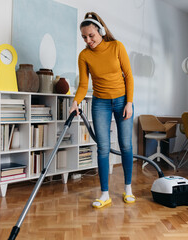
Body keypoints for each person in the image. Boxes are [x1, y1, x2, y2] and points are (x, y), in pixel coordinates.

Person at [69, 12, 135, 208]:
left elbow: (129, 77)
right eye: (84, 37)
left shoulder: (117, 47)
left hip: (123, 101)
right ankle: (105, 194)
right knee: (103, 148)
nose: (88, 40)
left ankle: (128, 189)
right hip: (101, 103)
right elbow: (83, 84)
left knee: (125, 145)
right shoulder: (84, 56)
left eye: (91, 35)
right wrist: (76, 102)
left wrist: (129, 102)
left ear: (101, 31)